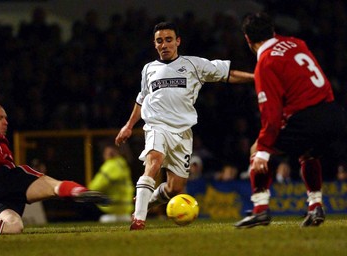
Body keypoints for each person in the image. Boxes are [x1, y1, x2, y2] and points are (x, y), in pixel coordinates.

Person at [115, 21, 254, 230]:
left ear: (178, 41)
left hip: (183, 132)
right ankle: (139, 219)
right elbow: (142, 99)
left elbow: (228, 74)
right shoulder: (148, 69)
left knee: (174, 188)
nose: (164, 45)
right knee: (154, 162)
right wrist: (128, 126)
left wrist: (257, 78)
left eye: (169, 40)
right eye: (159, 41)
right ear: (155, 44)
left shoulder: (194, 65)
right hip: (156, 125)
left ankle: (148, 200)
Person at [234, 12, 347, 228]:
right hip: (334, 112)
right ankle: (315, 206)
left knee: (256, 150)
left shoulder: (265, 63)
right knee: (309, 153)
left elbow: (271, 114)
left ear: (248, 39)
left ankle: (260, 209)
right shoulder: (296, 43)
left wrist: (264, 152)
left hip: (307, 119)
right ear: (272, 31)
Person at [0, 104, 109, 235]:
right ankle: (78, 192)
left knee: (13, 226)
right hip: (3, 178)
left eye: (6, 118)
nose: (5, 122)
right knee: (54, 186)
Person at [88, 143, 134, 223]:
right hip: (126, 210)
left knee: (84, 198)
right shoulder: (123, 164)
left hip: (111, 210)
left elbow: (93, 187)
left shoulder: (110, 165)